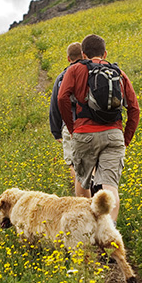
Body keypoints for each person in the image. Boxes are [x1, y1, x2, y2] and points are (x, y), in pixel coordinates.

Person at [57, 34, 140, 225]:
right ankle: (109, 235)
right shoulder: (118, 73)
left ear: (84, 54)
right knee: (110, 187)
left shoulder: (76, 69)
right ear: (105, 53)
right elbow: (134, 109)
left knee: (83, 180)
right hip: (114, 135)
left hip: (83, 133)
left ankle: (88, 228)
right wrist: (125, 138)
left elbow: (62, 98)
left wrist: (72, 128)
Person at [49, 42, 84, 194]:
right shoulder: (90, 71)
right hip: (90, 123)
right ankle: (94, 192)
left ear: (68, 58)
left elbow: (55, 105)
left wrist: (56, 131)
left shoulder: (61, 77)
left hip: (69, 126)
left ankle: (79, 197)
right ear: (84, 55)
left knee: (73, 164)